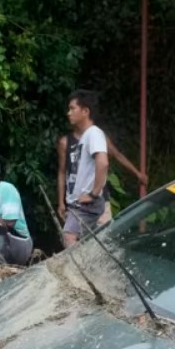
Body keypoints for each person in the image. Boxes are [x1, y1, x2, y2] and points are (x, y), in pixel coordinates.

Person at [57, 129, 147, 227]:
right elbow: (62, 172)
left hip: (99, 198)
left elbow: (117, 155)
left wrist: (137, 174)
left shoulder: (99, 137)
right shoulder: (65, 142)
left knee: (104, 235)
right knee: (78, 238)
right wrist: (61, 202)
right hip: (77, 201)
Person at [57, 90, 109, 247]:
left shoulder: (94, 133)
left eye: (73, 108)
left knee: (69, 237)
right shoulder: (87, 136)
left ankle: (76, 271)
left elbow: (103, 162)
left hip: (86, 204)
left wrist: (93, 194)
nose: (69, 113)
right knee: (88, 244)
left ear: (86, 111)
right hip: (79, 203)